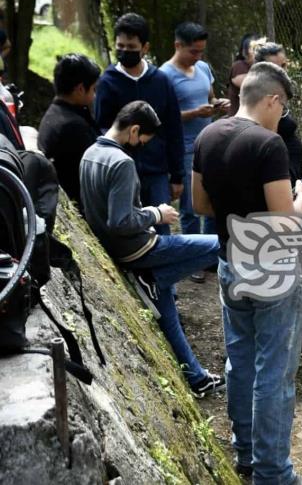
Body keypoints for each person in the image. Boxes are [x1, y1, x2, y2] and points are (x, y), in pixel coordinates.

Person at [192, 62, 302, 485]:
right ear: (271, 99)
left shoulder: (208, 135)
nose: (281, 117)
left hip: (230, 261)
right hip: (273, 270)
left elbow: (199, 205)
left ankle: (245, 453)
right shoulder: (269, 146)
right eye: (281, 109)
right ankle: (272, 473)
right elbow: (284, 221)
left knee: (240, 361)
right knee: (275, 372)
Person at [79, 100, 223, 398]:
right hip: (139, 249)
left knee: (167, 311)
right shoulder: (122, 163)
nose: (142, 146)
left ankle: (196, 378)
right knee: (225, 243)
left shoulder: (90, 154)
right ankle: (152, 278)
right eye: (143, 139)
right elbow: (120, 221)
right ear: (133, 130)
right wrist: (157, 214)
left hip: (118, 250)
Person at [94, 13, 184, 236]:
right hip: (123, 171)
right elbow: (101, 127)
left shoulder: (161, 81)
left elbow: (173, 128)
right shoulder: (108, 82)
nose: (125, 51)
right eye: (120, 46)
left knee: (161, 226)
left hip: (156, 172)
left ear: (145, 47)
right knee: (129, 226)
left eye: (131, 46)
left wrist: (177, 175)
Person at [160, 22, 229, 282]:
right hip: (185, 147)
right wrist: (194, 113)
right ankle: (193, 259)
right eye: (193, 51)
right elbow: (163, 117)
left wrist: (217, 105)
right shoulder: (165, 75)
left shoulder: (203, 68)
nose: (198, 57)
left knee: (213, 199)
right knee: (189, 207)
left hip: (209, 143)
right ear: (178, 45)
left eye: (201, 52)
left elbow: (209, 98)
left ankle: (212, 252)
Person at [254, 42, 302, 224]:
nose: (283, 72)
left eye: (284, 65)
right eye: (277, 67)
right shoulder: (260, 99)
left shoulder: (280, 92)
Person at [38, 54, 101, 205]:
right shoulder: (73, 126)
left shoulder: (55, 113)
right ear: (80, 89)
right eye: (93, 89)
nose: (95, 95)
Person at [227, 32, 262, 111]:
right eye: (253, 48)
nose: (257, 51)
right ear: (245, 51)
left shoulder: (261, 67)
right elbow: (252, 87)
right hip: (239, 118)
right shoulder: (238, 66)